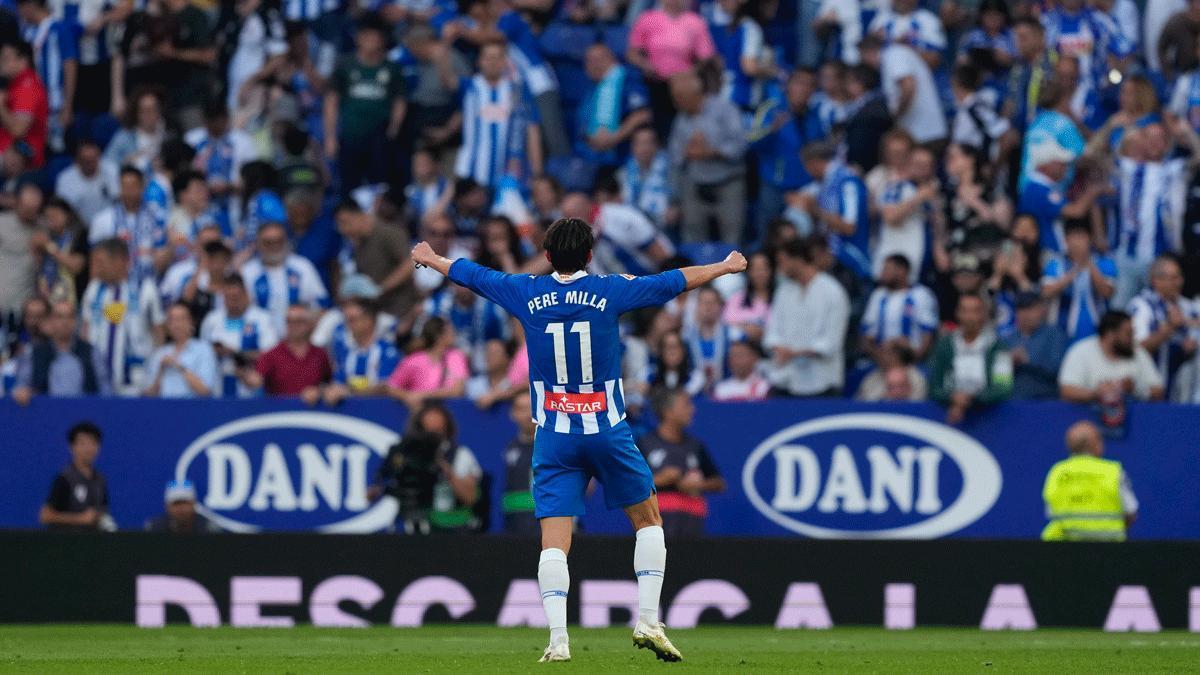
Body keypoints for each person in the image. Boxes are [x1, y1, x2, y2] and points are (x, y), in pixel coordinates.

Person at [410, 216, 747, 663]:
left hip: (553, 436)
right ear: (590, 255)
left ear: (547, 256)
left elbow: (474, 275)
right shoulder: (610, 289)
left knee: (554, 540)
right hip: (607, 430)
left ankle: (557, 639)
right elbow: (673, 281)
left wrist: (432, 259)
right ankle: (647, 619)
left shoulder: (527, 292)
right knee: (648, 521)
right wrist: (723, 268)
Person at [323, 17, 406, 195]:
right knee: (349, 186)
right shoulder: (345, 66)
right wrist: (330, 136)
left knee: (379, 187)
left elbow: (399, 101)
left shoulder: (392, 69)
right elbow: (331, 101)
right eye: (366, 37)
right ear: (358, 39)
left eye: (375, 37)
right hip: (351, 135)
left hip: (379, 138)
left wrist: (394, 128)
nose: (371, 42)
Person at [666, 70, 746, 245]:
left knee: (732, 239)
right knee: (692, 238)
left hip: (727, 182)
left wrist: (711, 152)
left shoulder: (724, 110)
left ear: (696, 94)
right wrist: (687, 152)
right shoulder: (681, 119)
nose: (675, 102)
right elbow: (675, 158)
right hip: (695, 185)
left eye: (679, 96)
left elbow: (740, 145)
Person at [763, 238, 849, 397]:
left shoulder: (833, 292)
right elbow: (773, 331)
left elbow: (831, 342)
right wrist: (779, 347)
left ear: (798, 260)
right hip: (787, 380)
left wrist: (797, 353)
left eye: (782, 261)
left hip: (823, 382)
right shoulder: (784, 291)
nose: (780, 268)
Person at [80, 238, 164, 396]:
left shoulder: (145, 289)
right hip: (98, 382)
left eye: (100, 262)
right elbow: (85, 330)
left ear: (119, 261)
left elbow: (159, 333)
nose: (96, 268)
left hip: (136, 383)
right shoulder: (94, 289)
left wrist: (156, 378)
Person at [638, 388, 725, 538]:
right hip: (654, 528)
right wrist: (659, 480)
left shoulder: (695, 446)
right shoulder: (645, 444)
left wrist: (698, 485)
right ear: (668, 411)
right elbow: (630, 484)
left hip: (691, 526)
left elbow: (719, 483)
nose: (692, 409)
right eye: (686, 405)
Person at [1042, 421, 1138, 541]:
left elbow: (1050, 511)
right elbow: (1131, 512)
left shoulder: (1057, 472)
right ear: (1096, 444)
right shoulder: (1113, 472)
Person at [928, 293, 1014, 424]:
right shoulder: (944, 346)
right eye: (965, 311)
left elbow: (1003, 387)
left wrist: (971, 398)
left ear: (983, 315)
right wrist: (952, 397)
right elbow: (934, 385)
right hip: (947, 416)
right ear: (957, 313)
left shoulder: (998, 347)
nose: (970, 317)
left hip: (990, 418)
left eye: (975, 311)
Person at [12, 300, 109, 404]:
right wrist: (21, 393)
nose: (65, 322)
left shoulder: (91, 352)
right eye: (59, 317)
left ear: (76, 321)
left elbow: (106, 391)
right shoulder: (33, 353)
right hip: (46, 415)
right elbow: (21, 386)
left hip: (85, 416)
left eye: (70, 317)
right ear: (50, 321)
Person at [239, 221, 329, 333]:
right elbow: (239, 311)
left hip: (298, 339)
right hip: (261, 340)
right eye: (268, 242)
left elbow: (321, 305)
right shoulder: (248, 272)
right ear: (257, 244)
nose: (274, 246)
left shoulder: (303, 267)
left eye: (279, 241)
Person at [199, 272, 279, 398]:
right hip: (217, 388)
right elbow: (202, 352)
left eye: (236, 297)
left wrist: (235, 353)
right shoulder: (212, 320)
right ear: (223, 296)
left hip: (251, 390)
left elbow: (271, 356)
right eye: (229, 297)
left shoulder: (262, 319)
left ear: (246, 294)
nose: (233, 301)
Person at [1059, 310, 1166, 402]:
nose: (1133, 338)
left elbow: (1159, 391)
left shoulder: (1138, 352)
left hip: (1134, 419)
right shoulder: (1081, 351)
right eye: (1128, 334)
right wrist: (1097, 394)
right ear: (1110, 334)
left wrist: (1136, 389)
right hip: (1088, 418)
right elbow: (1066, 390)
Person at [334, 200, 416, 319]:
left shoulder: (388, 233)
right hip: (375, 310)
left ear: (359, 215)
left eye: (345, 222)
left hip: (400, 308)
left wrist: (381, 289)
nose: (342, 229)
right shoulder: (357, 243)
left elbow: (409, 264)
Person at [1128, 256, 1200, 391]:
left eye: (1179, 277)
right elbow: (1136, 348)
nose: (1178, 283)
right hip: (1151, 388)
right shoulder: (1142, 306)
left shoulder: (1188, 306)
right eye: (1172, 278)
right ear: (1156, 280)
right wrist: (1169, 328)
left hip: (1183, 388)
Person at [1041, 220, 1117, 343]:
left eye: (1081, 237)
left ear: (1090, 239)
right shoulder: (1055, 264)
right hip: (1062, 332)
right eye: (1073, 238)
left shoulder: (1104, 263)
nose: (1078, 242)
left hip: (1096, 332)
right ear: (1066, 241)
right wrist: (1073, 272)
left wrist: (1088, 264)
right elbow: (1046, 293)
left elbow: (1107, 292)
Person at [861, 254, 939, 365]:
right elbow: (866, 335)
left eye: (887, 269)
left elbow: (928, 334)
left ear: (902, 271)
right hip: (880, 362)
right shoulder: (878, 295)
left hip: (914, 361)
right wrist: (882, 359)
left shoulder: (922, 295)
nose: (882, 273)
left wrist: (913, 359)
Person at [323, 298, 401, 405]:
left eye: (352, 320)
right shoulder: (347, 353)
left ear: (369, 321)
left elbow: (384, 387)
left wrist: (350, 393)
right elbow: (338, 383)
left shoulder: (387, 352)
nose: (348, 325)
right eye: (346, 320)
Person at [248, 304, 332, 402]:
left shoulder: (320, 355)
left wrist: (319, 391)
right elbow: (256, 380)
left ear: (310, 324)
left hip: (312, 414)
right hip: (279, 414)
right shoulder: (272, 355)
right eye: (289, 321)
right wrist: (247, 377)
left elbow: (329, 384)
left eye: (298, 321)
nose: (293, 326)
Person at [39, 421, 112, 531]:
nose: (88, 448)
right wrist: (79, 519)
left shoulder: (101, 480)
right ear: (72, 447)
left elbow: (102, 511)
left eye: (93, 443)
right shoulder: (64, 478)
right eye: (82, 443)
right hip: (65, 542)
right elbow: (45, 516)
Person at [386, 315, 468, 408]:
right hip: (420, 414)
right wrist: (407, 397)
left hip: (449, 414)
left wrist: (422, 395)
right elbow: (392, 387)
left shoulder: (456, 356)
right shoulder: (414, 360)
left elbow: (457, 390)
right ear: (439, 337)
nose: (453, 334)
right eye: (450, 331)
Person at [143, 303, 218, 398]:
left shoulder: (204, 350)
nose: (176, 324)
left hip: (193, 409)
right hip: (163, 409)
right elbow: (148, 395)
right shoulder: (159, 353)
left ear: (191, 322)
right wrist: (161, 371)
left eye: (181, 319)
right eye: (171, 320)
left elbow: (205, 390)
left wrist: (179, 366)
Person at [1005, 291, 1069, 400]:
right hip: (1012, 402)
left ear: (1042, 311)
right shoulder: (1006, 339)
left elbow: (1058, 370)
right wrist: (1008, 364)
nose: (1027, 314)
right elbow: (999, 380)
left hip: (1045, 400)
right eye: (1022, 309)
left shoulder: (1054, 334)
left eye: (1032, 309)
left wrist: (1028, 359)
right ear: (1016, 313)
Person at [0, 39, 49, 169]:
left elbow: (18, 130)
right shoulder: (13, 84)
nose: (1, 63)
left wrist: (0, 107)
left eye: (6, 59)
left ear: (23, 61)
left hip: (21, 155)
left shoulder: (28, 87)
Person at [54, 139, 119, 227]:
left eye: (93, 159)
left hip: (109, 225)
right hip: (78, 228)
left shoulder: (112, 171)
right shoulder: (65, 180)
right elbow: (62, 212)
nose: (91, 164)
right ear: (77, 161)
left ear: (99, 157)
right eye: (86, 161)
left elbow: (120, 201)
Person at [0, 182, 40, 316]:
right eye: (27, 208)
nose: (30, 212)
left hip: (26, 307)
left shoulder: (43, 228)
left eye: (34, 209)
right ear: (17, 203)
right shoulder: (2, 223)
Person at [501, 391, 538, 535]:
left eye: (532, 408)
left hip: (549, 526)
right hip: (515, 528)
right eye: (523, 409)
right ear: (513, 414)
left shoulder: (555, 448)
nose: (529, 415)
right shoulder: (508, 449)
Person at [144, 480, 220, 533]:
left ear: (194, 504)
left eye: (185, 503)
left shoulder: (209, 528)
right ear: (167, 506)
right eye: (176, 503)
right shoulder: (155, 527)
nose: (181, 509)